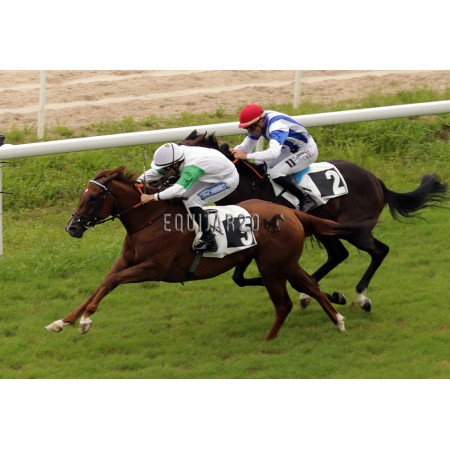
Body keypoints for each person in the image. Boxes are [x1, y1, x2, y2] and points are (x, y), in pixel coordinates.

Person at [139, 142, 239, 252]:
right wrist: (139, 180)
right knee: (183, 196)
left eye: (167, 169)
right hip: (210, 172)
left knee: (193, 201)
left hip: (227, 179)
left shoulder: (192, 168)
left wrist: (152, 197)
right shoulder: (177, 156)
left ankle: (210, 241)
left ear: (175, 165)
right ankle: (187, 228)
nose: (165, 172)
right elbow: (157, 171)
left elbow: (176, 190)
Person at [231, 103, 317, 212]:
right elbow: (245, 148)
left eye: (251, 128)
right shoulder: (259, 123)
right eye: (246, 128)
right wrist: (233, 152)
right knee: (259, 164)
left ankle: (306, 199)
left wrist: (247, 156)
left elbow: (273, 153)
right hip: (288, 149)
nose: (249, 132)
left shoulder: (277, 126)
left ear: (261, 122)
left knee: (276, 173)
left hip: (306, 150)